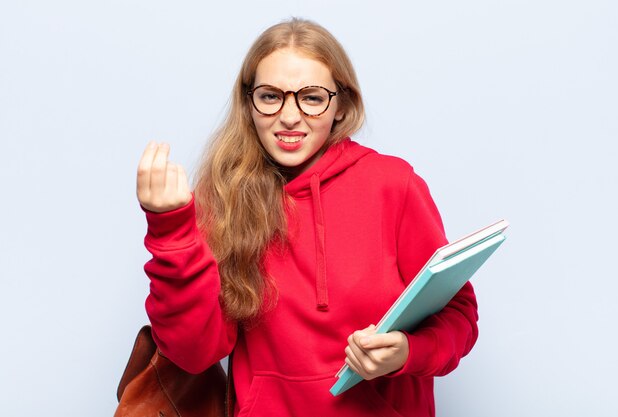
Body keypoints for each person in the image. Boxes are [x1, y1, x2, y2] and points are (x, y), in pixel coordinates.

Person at [136, 18, 478, 417]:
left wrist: (408, 351)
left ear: (341, 105)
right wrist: (170, 229)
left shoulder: (393, 185)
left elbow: (460, 315)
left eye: (312, 98)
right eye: (270, 96)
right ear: (250, 104)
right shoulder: (226, 199)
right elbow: (193, 352)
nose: (290, 117)